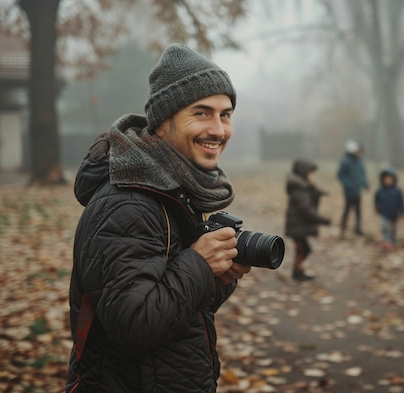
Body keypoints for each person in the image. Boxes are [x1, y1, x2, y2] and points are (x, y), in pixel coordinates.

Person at [66, 44, 252, 392]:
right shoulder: (129, 204)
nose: (219, 129)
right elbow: (133, 326)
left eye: (225, 114)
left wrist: (216, 277)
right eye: (201, 113)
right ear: (163, 123)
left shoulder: (170, 189)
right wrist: (198, 263)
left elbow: (174, 308)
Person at [284, 159, 331, 281]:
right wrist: (324, 220)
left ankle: (298, 270)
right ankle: (297, 272)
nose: (312, 176)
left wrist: (321, 193)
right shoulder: (300, 191)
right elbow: (307, 211)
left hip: (298, 227)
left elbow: (313, 192)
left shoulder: (303, 188)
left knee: (304, 249)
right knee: (302, 250)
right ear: (303, 174)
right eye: (310, 174)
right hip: (296, 228)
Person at [337, 138, 369, 238]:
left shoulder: (359, 161)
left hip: (357, 191)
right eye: (357, 150)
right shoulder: (346, 161)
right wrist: (348, 184)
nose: (359, 152)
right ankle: (343, 228)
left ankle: (358, 229)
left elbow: (362, 174)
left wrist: (365, 183)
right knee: (347, 209)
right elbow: (340, 174)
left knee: (358, 210)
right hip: (349, 191)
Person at [374, 167, 404, 251]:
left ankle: (393, 241)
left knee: (393, 229)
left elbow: (401, 202)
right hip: (384, 212)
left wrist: (402, 211)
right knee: (384, 227)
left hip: (394, 213)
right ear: (382, 179)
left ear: (394, 179)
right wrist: (377, 207)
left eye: (390, 179)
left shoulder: (397, 191)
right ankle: (386, 241)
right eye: (386, 179)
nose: (388, 181)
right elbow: (377, 200)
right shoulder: (380, 191)